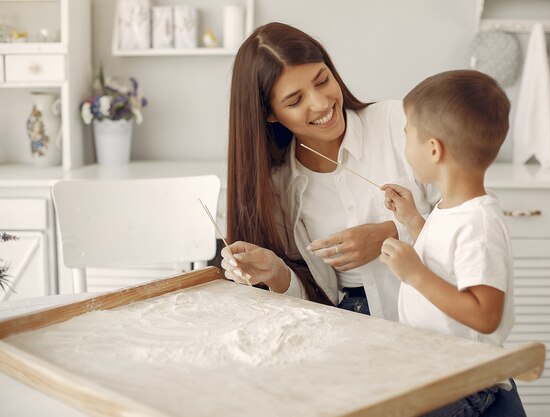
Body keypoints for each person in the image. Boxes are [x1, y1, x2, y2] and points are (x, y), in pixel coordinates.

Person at [219, 22, 439, 320]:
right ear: (269, 114)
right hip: (345, 322)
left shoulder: (398, 122)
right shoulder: (278, 185)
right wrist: (277, 273)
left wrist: (391, 233)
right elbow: (313, 304)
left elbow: (470, 220)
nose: (321, 103)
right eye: (295, 100)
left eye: (322, 81)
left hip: (433, 310)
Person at [379, 70, 526, 416]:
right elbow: (446, 260)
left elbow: (486, 314)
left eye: (407, 137)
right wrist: (414, 222)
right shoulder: (451, 208)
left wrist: (413, 274)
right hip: (443, 371)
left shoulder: (480, 224)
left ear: (433, 150)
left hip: (466, 383)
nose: (405, 149)